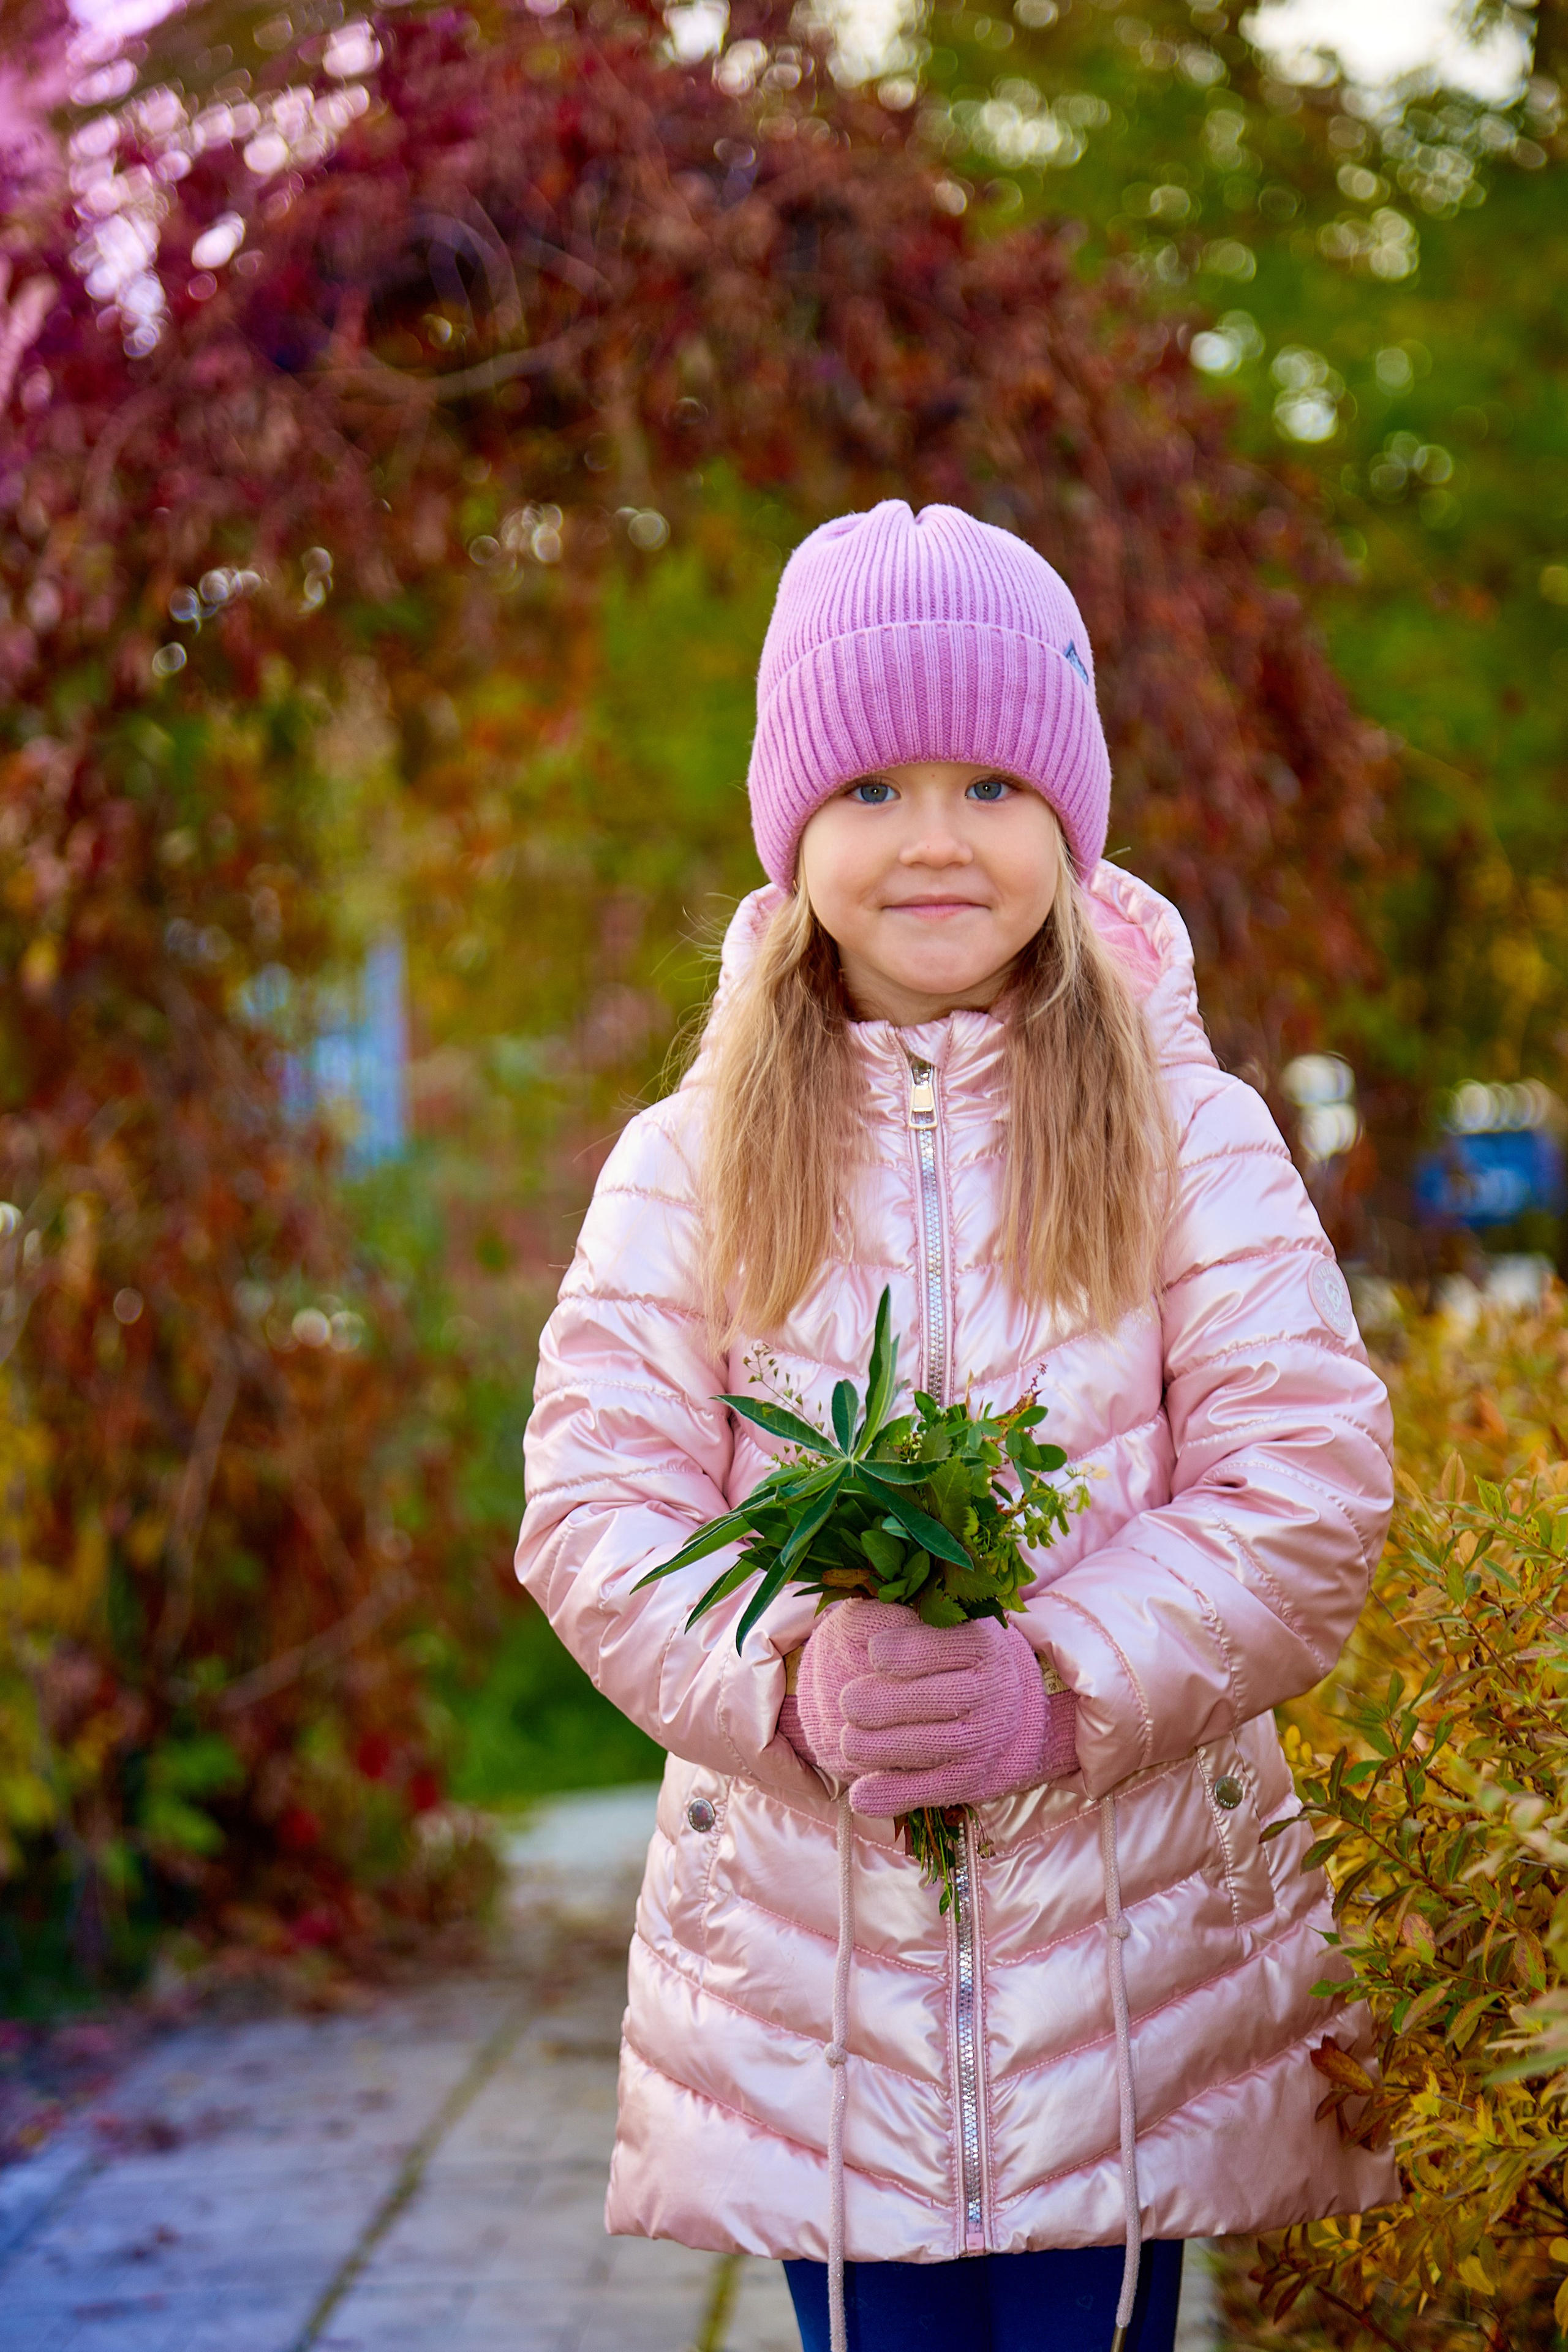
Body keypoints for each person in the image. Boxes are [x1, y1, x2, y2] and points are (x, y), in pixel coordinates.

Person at [516, 500, 1396, 2352]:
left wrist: (1057, 1680)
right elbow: (598, 1502)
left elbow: (1300, 1480)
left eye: (996, 784)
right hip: (821, 1996)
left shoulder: (1186, 1136)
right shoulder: (688, 1165)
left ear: (1069, 824)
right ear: (795, 824)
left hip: (1128, 1969)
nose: (935, 839)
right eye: (874, 788)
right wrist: (785, 1678)